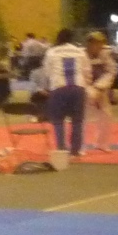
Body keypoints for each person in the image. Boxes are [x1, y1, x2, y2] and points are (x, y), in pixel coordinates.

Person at [43, 28, 91, 156]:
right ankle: (75, 150)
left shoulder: (51, 52)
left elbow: (47, 72)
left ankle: (61, 148)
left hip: (59, 87)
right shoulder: (80, 51)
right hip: (78, 87)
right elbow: (87, 71)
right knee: (77, 120)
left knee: (58, 120)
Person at [84, 31, 117, 153]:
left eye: (101, 43)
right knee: (82, 116)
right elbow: (79, 73)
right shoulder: (81, 54)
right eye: (96, 43)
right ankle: (80, 145)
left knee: (106, 115)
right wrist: (89, 88)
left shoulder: (105, 55)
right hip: (85, 87)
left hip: (100, 88)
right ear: (89, 43)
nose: (99, 46)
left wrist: (99, 87)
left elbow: (111, 72)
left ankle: (102, 143)